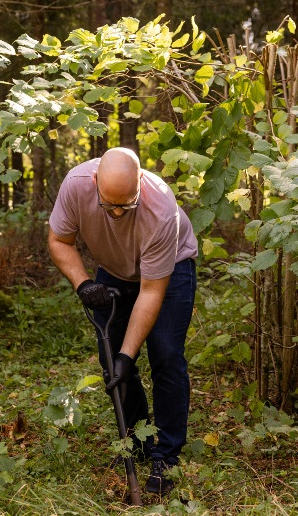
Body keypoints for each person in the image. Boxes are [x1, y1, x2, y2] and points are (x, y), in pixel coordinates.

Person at [48, 147, 198, 494]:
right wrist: (84, 284)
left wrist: (127, 355)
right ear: (95, 181)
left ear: (140, 182)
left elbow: (150, 292)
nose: (116, 212)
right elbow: (59, 240)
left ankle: (167, 456)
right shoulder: (76, 185)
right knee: (110, 359)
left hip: (168, 272)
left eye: (125, 205)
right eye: (109, 204)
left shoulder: (161, 207)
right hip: (115, 268)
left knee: (165, 354)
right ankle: (136, 439)